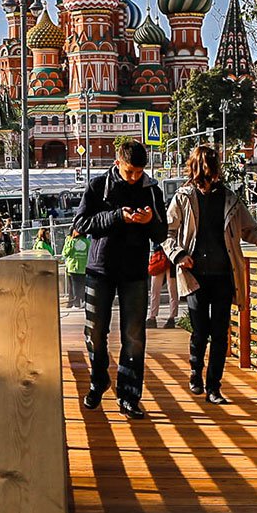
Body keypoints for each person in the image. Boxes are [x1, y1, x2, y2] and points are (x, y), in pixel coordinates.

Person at [164, 143, 257, 405]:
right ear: (197, 172)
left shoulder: (229, 199)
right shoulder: (184, 198)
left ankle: (214, 388)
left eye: (212, 172)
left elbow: (251, 231)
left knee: (220, 333)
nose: (210, 179)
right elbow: (167, 233)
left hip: (223, 275)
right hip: (194, 275)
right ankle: (196, 371)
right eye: (205, 173)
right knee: (200, 331)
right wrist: (178, 255)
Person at [73, 138, 167, 419]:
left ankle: (129, 396)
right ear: (118, 164)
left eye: (139, 172)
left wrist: (149, 220)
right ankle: (99, 377)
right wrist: (117, 217)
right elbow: (80, 224)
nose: (135, 177)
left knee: (134, 336)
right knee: (94, 332)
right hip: (100, 270)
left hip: (134, 272)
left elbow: (161, 235)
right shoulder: (98, 186)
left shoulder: (152, 190)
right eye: (130, 172)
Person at [60, 228, 89, 310]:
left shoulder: (72, 241)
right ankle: (82, 302)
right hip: (82, 267)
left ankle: (77, 303)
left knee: (75, 286)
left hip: (73, 267)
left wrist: (70, 242)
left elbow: (65, 253)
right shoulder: (87, 241)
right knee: (81, 286)